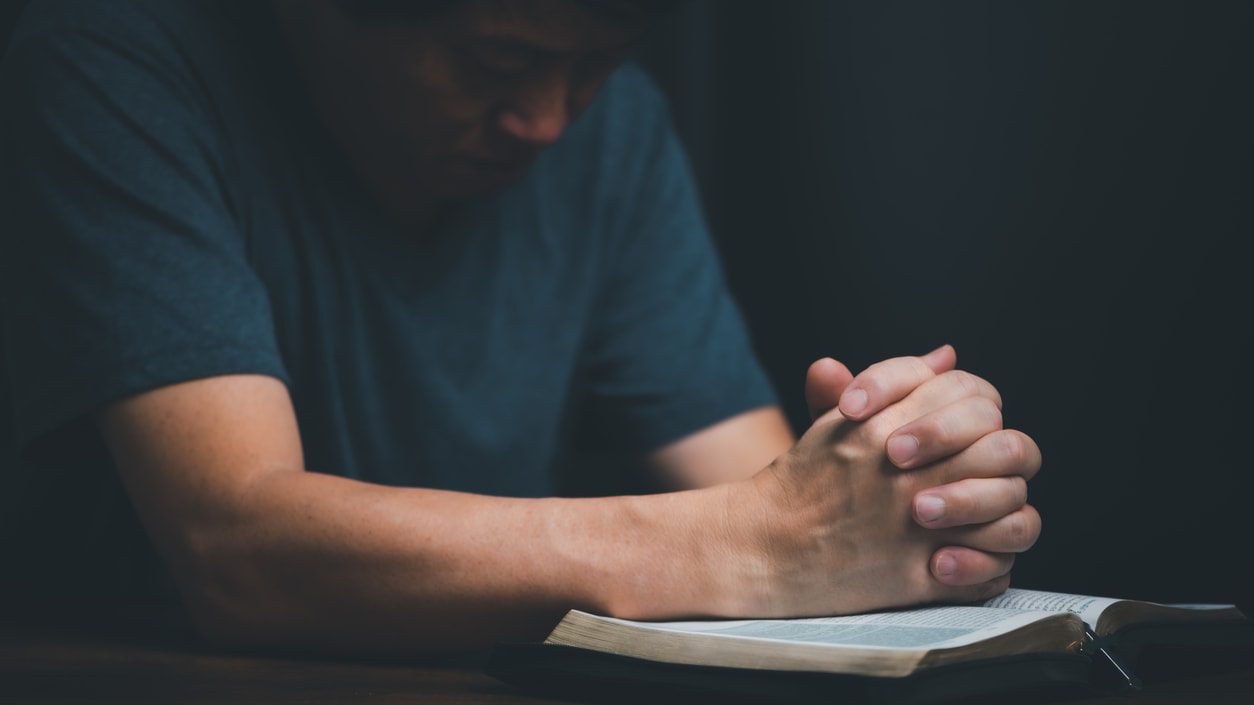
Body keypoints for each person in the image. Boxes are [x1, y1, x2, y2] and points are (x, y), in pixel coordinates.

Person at [0, 0, 1041, 654]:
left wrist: (908, 493)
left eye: (590, 65)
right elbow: (239, 548)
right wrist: (759, 539)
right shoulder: (106, 63)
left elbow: (774, 506)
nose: (546, 119)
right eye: (495, 62)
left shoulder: (614, 131)